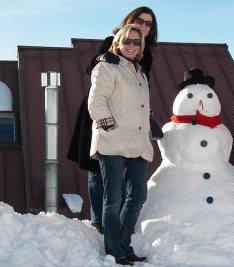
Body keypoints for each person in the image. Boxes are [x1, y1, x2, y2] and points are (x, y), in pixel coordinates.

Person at [66, 6, 158, 235]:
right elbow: (92, 68)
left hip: (128, 117)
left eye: (148, 23)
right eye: (140, 20)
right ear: (130, 20)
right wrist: (101, 56)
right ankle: (99, 220)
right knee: (97, 166)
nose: (143, 26)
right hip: (102, 110)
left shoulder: (147, 54)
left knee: (125, 172)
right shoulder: (112, 40)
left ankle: (119, 223)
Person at [88, 24, 153, 266]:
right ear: (118, 42)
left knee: (138, 195)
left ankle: (125, 244)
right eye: (127, 41)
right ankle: (114, 250)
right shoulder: (106, 66)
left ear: (140, 47)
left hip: (137, 141)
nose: (131, 45)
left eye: (136, 42)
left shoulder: (139, 72)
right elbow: (96, 101)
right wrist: (109, 127)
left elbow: (138, 105)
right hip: (112, 141)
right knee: (113, 198)